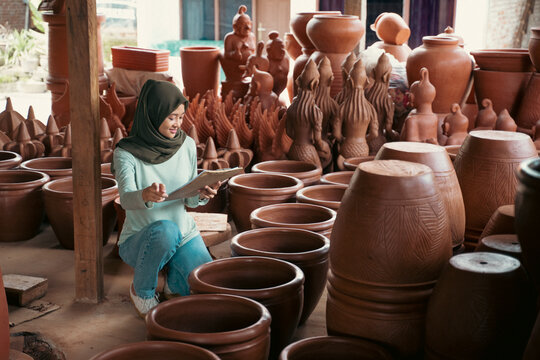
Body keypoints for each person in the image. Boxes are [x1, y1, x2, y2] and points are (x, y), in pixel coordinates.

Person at [112, 79, 220, 318]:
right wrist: (145, 195)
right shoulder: (125, 153)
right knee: (166, 231)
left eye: (181, 117)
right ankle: (142, 291)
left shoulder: (187, 145)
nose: (177, 124)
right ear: (153, 112)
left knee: (206, 286)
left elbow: (189, 201)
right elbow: (126, 199)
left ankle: (173, 284)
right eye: (171, 117)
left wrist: (201, 194)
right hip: (141, 239)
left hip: (184, 233)